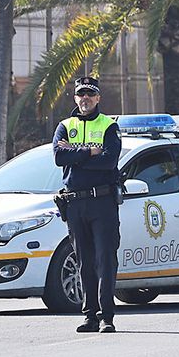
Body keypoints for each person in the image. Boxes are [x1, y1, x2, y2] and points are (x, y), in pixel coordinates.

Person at [52, 77, 122, 333]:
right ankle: (89, 316)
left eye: (90, 94)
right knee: (84, 261)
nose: (85, 99)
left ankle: (107, 317)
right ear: (75, 98)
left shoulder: (109, 126)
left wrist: (76, 155)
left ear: (98, 98)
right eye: (81, 94)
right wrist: (89, 152)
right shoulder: (64, 126)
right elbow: (59, 158)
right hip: (74, 204)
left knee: (105, 261)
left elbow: (109, 161)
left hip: (102, 202)